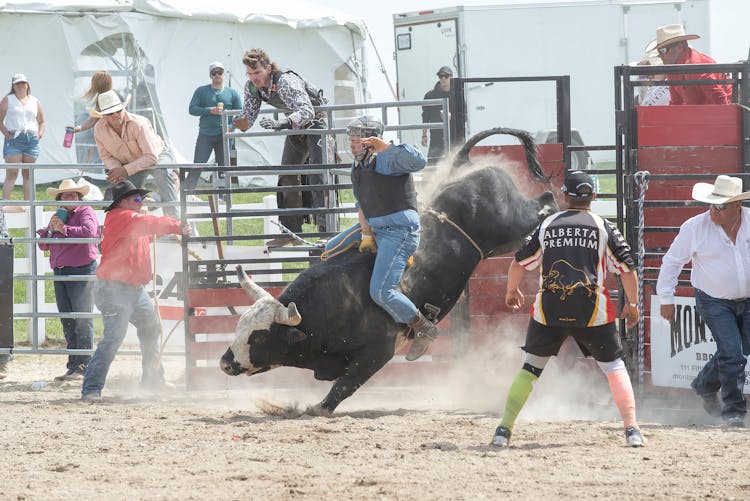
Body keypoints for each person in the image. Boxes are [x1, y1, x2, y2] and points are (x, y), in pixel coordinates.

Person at [491, 171, 644, 448]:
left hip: (549, 309)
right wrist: (632, 304)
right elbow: (627, 269)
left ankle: (504, 429)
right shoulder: (603, 226)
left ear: (564, 196)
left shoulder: (547, 224)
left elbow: (518, 263)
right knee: (613, 367)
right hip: (593, 310)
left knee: (530, 369)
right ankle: (632, 429)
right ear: (594, 196)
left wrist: (511, 291)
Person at [321, 115, 439, 361]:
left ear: (370, 140)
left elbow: (419, 161)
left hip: (399, 230)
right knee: (329, 251)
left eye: (356, 139)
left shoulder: (387, 158)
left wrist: (385, 147)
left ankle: (423, 327)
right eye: (351, 139)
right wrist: (365, 233)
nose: (352, 144)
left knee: (381, 291)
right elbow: (362, 205)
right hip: (375, 227)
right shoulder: (357, 167)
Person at [81, 180, 190, 401]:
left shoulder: (131, 222)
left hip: (131, 289)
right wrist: (175, 225)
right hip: (114, 289)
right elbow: (148, 224)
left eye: (141, 199)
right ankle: (91, 388)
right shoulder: (121, 217)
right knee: (114, 337)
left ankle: (153, 381)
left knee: (150, 330)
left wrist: (164, 228)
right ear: (123, 202)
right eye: (137, 199)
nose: (142, 202)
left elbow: (148, 231)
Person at [656, 175, 750, 428]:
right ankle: (734, 411)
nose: (713, 211)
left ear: (736, 207)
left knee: (738, 351)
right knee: (733, 352)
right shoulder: (695, 227)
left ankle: (705, 384)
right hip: (713, 300)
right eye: (712, 205)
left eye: (720, 206)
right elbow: (672, 261)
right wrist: (666, 297)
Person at [233, 48, 328, 246]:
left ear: (268, 69)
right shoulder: (252, 87)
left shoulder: (285, 81)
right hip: (296, 125)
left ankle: (327, 230)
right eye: (250, 74)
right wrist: (237, 121)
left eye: (257, 73)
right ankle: (290, 231)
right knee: (287, 174)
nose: (253, 78)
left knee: (319, 175)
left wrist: (282, 124)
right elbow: (248, 118)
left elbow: (307, 110)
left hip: (317, 124)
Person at [36, 179, 99, 381]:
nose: (69, 198)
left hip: (81, 270)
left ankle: (84, 365)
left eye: (72, 195)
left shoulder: (85, 211)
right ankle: (74, 365)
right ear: (60, 199)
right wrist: (50, 231)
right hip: (61, 271)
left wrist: (63, 229)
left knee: (82, 318)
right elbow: (45, 245)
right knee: (68, 319)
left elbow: (90, 232)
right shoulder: (59, 216)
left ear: (79, 198)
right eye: (65, 195)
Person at [93, 90, 179, 218]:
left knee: (162, 171)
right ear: (104, 115)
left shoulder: (139, 124)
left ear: (124, 108)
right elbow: (106, 156)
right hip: (130, 163)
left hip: (158, 153)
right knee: (125, 190)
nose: (116, 114)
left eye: (119, 110)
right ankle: (132, 220)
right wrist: (117, 170)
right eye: (111, 113)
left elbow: (151, 156)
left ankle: (174, 221)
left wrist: (123, 170)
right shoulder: (99, 129)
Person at [186, 61, 242, 190]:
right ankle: (187, 193)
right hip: (205, 134)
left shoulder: (232, 93)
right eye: (214, 73)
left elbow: (240, 113)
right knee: (198, 165)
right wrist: (208, 110)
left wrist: (232, 127)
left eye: (220, 72)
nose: (217, 75)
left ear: (224, 75)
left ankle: (223, 196)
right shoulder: (201, 91)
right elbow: (192, 109)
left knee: (223, 166)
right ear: (210, 75)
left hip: (225, 135)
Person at [654, 24, 731, 105]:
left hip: (722, 111)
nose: (660, 55)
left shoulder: (698, 67)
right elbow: (676, 103)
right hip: (703, 113)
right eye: (658, 52)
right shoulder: (673, 70)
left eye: (663, 50)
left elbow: (720, 100)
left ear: (679, 47)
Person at [0, 73, 45, 201]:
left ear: (27, 85)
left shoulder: (35, 101)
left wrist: (39, 134)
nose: (20, 86)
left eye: (23, 83)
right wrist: (6, 134)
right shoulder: (7, 99)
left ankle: (28, 206)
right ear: (13, 86)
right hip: (14, 138)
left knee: (28, 174)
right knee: (12, 173)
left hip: (31, 139)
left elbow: (42, 121)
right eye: (17, 83)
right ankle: (5, 207)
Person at [421, 66, 453, 159]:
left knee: (455, 166)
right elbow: (425, 117)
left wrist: (451, 117)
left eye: (446, 76)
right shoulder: (430, 95)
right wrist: (424, 135)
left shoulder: (457, 93)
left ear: (451, 77)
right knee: (432, 165)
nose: (443, 78)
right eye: (440, 76)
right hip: (436, 135)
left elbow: (464, 115)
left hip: (454, 135)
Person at [636, 41, 670, 106]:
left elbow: (645, 104)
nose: (649, 77)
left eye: (652, 74)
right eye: (648, 75)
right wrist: (642, 76)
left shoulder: (667, 87)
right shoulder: (653, 88)